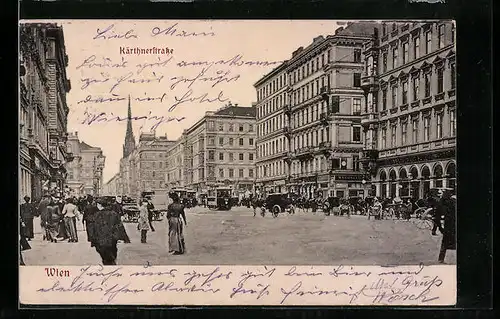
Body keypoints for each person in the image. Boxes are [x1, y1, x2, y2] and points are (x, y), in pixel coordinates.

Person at [92, 198, 130, 265]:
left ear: (100, 205)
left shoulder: (96, 215)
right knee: (112, 255)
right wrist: (125, 238)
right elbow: (120, 226)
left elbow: (94, 228)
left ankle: (109, 267)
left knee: (105, 258)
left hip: (101, 240)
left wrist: (93, 240)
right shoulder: (114, 214)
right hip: (112, 240)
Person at [437, 191, 456, 263]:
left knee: (444, 242)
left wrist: (440, 228)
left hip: (447, 225)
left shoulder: (440, 203)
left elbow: (437, 217)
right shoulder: (453, 202)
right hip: (453, 224)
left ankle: (441, 259)